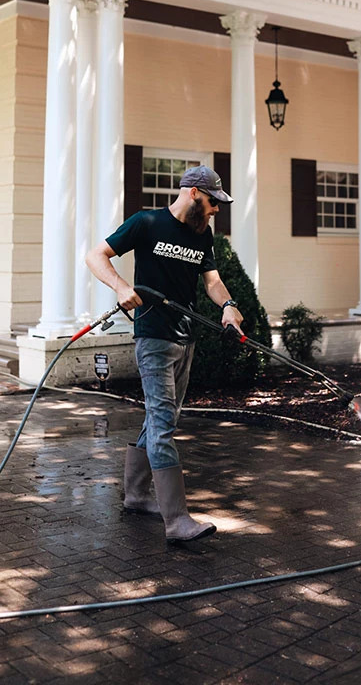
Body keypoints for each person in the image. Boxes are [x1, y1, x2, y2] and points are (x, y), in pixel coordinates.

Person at [86, 165, 243, 543]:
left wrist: (228, 305)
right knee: (163, 422)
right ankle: (176, 520)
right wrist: (122, 287)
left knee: (163, 418)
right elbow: (96, 256)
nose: (215, 210)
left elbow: (213, 281)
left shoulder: (202, 235)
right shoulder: (147, 223)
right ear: (192, 193)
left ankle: (138, 496)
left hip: (185, 337)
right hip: (153, 337)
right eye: (211, 202)